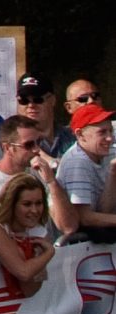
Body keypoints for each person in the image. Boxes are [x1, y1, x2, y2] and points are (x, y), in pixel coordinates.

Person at [56, 99, 116, 237]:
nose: (109, 138)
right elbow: (85, 218)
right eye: (102, 133)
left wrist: (113, 173)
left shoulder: (108, 153)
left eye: (110, 131)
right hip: (75, 248)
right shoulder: (77, 162)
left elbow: (104, 211)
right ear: (80, 135)